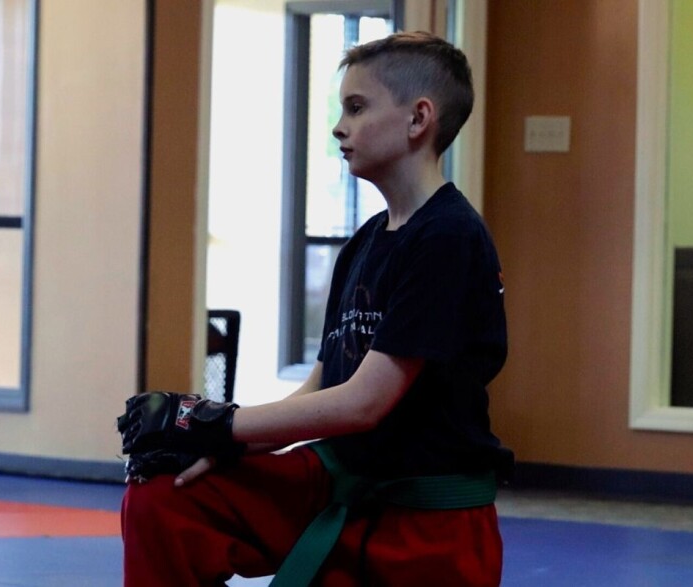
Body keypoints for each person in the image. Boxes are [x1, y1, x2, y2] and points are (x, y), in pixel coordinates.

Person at [120, 31, 512, 586]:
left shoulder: (449, 236)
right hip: (340, 479)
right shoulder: (366, 242)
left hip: (428, 521)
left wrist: (215, 424)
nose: (338, 128)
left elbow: (365, 403)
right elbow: (322, 387)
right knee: (167, 495)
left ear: (418, 118)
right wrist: (218, 443)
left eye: (356, 107)